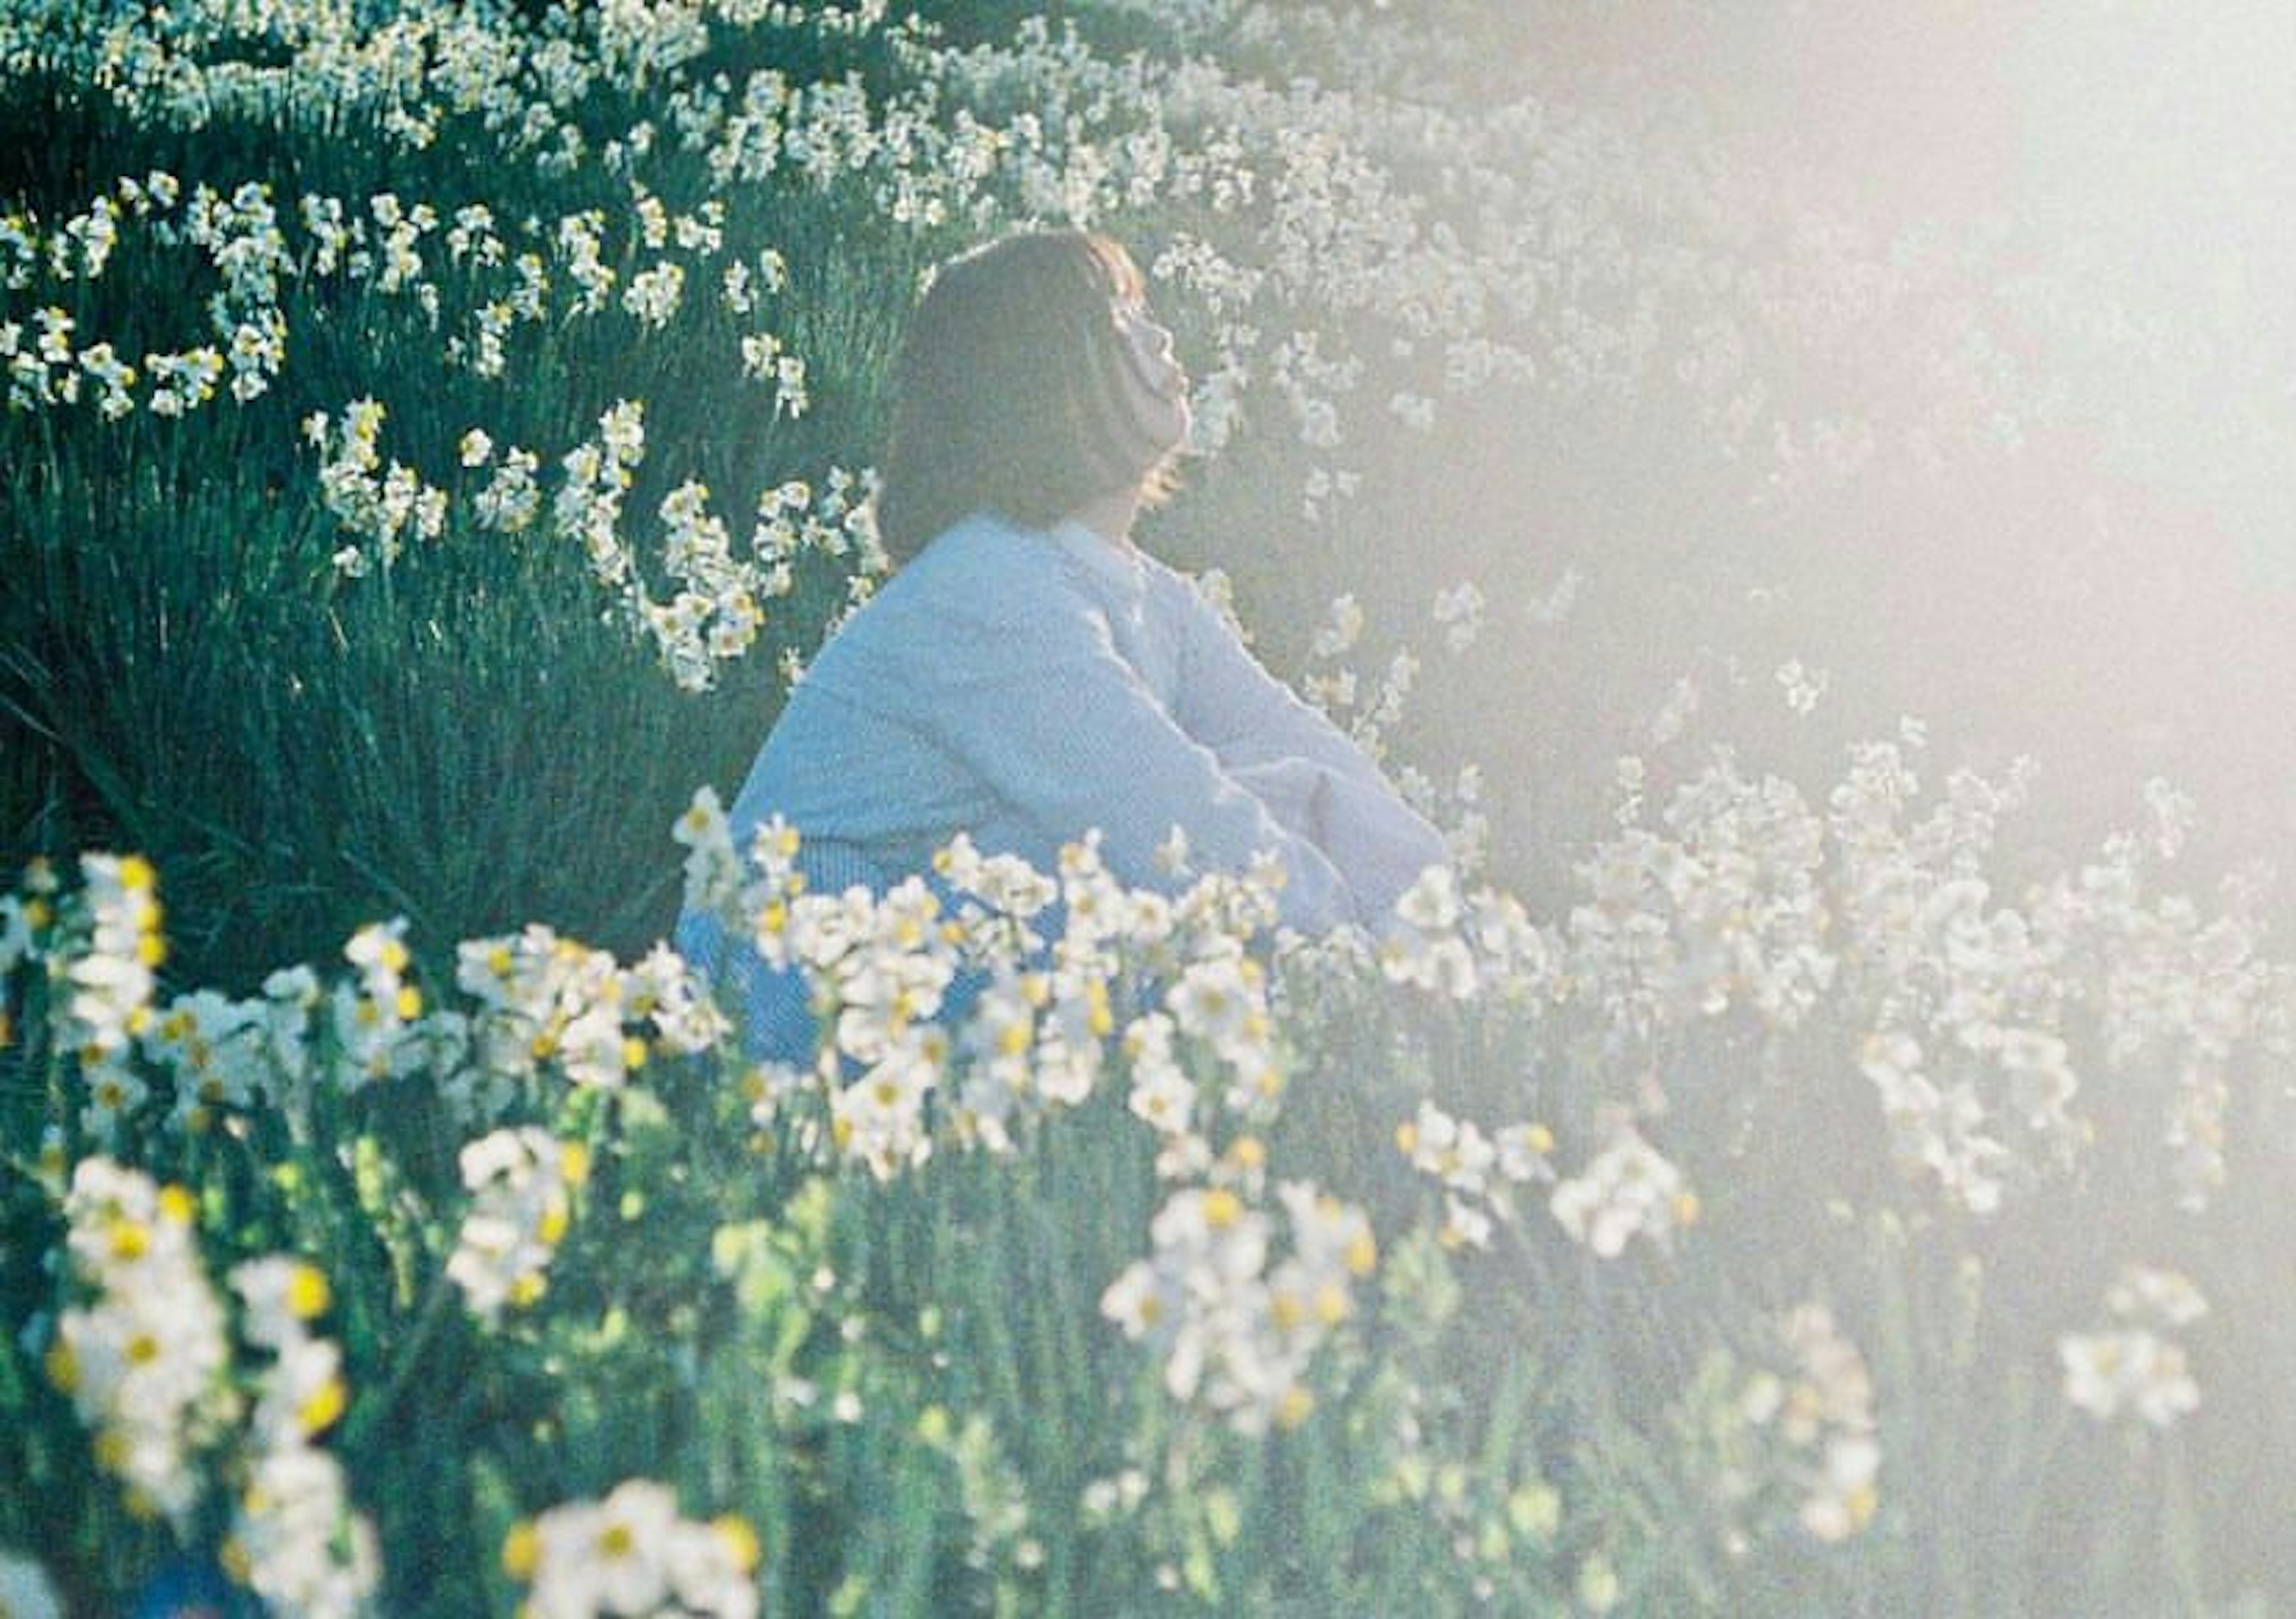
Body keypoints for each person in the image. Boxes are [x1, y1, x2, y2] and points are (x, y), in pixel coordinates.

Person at [677, 229, 1449, 1056]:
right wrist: (1359, 965)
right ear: (1042, 381)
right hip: (801, 968)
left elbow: (1321, 762)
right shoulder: (989, 584)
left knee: (1286, 797)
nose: (1159, 336)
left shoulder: (1147, 592)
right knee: (1186, 856)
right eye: (1120, 320)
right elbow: (1165, 818)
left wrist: (1437, 918)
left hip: (947, 930)